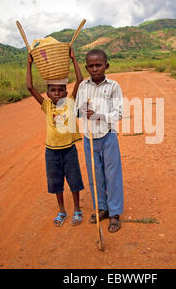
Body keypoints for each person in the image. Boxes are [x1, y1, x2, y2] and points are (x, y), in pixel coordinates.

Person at [26, 48, 84, 227]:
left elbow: (80, 80)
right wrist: (29, 64)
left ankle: (77, 209)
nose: (57, 93)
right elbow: (29, 87)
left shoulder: (70, 103)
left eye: (60, 90)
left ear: (66, 93)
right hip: (51, 151)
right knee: (56, 182)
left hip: (69, 150)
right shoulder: (46, 106)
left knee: (74, 181)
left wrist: (73, 59)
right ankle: (62, 210)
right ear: (48, 93)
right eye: (53, 90)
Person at [75, 49, 124, 233]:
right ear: (86, 67)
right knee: (95, 175)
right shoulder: (83, 87)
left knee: (112, 175)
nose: (95, 69)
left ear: (106, 66)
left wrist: (99, 115)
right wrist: (82, 109)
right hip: (89, 137)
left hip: (108, 135)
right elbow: (77, 111)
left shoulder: (113, 86)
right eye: (91, 66)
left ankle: (115, 213)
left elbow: (118, 113)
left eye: (98, 65)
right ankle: (102, 208)